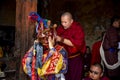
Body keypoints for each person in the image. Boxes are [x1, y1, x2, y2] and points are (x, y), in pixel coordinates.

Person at [22, 12, 68, 80]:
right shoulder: (37, 49)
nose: (45, 39)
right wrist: (34, 47)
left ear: (54, 36)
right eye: (42, 37)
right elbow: (26, 64)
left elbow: (60, 68)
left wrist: (52, 48)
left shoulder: (61, 50)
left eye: (48, 36)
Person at [56, 12, 86, 80]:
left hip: (75, 59)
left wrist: (61, 39)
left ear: (71, 21)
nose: (63, 24)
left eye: (65, 22)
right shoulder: (60, 28)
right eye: (62, 22)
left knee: (75, 77)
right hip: (63, 59)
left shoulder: (77, 29)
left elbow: (77, 43)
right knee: (65, 77)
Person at [100, 15, 120, 80]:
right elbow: (113, 43)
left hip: (110, 53)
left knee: (111, 73)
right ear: (115, 22)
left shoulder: (110, 30)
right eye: (119, 22)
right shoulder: (112, 30)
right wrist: (119, 45)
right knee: (114, 73)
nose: (119, 24)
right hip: (111, 54)